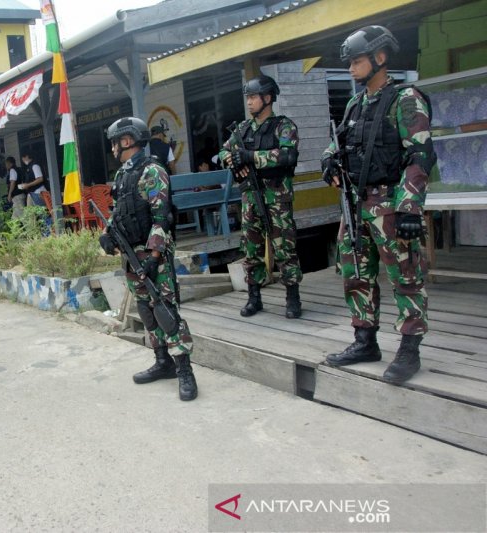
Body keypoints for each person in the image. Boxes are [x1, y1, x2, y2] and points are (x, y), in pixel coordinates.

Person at [322, 26, 436, 384]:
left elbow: (420, 156)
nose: (351, 69)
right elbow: (337, 144)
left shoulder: (405, 99)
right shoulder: (356, 104)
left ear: (380, 58)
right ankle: (365, 340)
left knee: (405, 277)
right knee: (355, 273)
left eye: (357, 61)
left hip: (391, 203)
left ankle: (409, 348)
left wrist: (409, 209)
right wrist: (329, 163)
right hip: (356, 206)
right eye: (350, 63)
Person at [100, 117, 198, 401]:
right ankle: (162, 362)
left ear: (127, 141)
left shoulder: (153, 171)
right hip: (132, 255)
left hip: (154, 256)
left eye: (115, 142)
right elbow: (119, 212)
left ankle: (185, 371)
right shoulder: (122, 175)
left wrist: (155, 256)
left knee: (166, 312)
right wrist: (107, 234)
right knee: (145, 310)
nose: (113, 147)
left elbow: (162, 217)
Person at [218, 74, 303, 319]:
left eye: (254, 97)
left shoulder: (284, 126)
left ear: (267, 98)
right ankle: (254, 296)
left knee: (284, 247)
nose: (249, 102)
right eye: (248, 97)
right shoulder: (242, 130)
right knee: (251, 248)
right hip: (250, 199)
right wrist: (234, 161)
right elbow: (224, 152)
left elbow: (288, 155)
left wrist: (252, 157)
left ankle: (292, 296)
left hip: (276, 196)